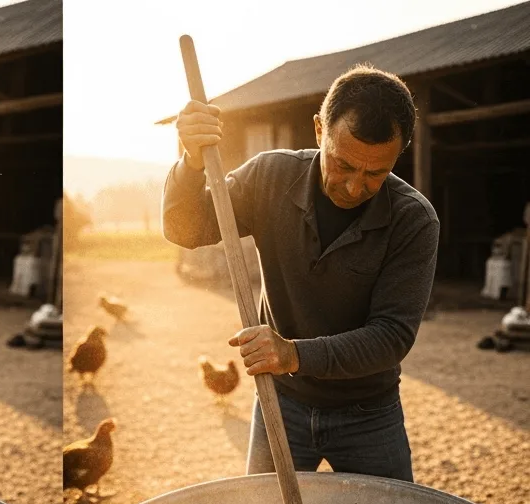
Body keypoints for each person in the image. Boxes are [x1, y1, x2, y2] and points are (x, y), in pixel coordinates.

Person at [164, 64, 439, 482]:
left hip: (369, 414)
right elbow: (186, 228)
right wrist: (191, 161)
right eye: (343, 164)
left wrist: (292, 354)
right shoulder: (269, 177)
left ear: (398, 155)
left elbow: (391, 336)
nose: (353, 187)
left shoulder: (414, 220)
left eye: (375, 174)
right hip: (281, 403)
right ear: (318, 130)